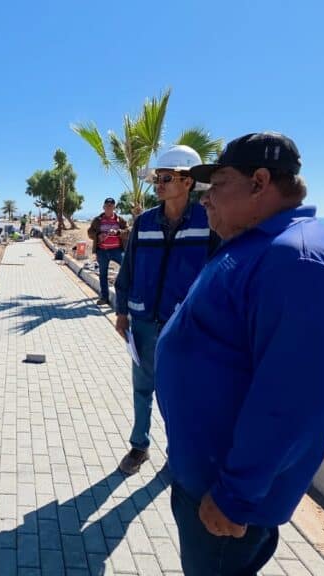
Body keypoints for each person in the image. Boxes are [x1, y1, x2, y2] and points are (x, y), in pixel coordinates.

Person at [156, 132, 324, 575]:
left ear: (259, 181)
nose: (206, 200)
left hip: (226, 498)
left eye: (219, 184)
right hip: (204, 475)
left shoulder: (300, 260)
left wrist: (236, 496)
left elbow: (290, 398)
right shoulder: (256, 243)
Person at [113, 145, 218, 476]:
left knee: (180, 395)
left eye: (166, 177)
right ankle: (139, 446)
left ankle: (178, 453)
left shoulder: (208, 222)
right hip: (143, 322)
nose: (158, 183)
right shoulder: (144, 223)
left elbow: (218, 273)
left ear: (188, 182)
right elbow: (128, 269)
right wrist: (122, 312)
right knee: (142, 388)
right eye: (157, 177)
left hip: (185, 328)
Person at [86, 197, 127, 305]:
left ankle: (126, 295)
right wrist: (98, 235)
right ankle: (104, 298)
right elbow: (90, 232)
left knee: (127, 269)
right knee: (103, 275)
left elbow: (128, 231)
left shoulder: (120, 220)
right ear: (103, 207)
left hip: (117, 251)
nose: (109, 208)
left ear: (114, 207)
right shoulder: (97, 220)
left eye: (111, 206)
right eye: (107, 206)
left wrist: (118, 232)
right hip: (102, 252)